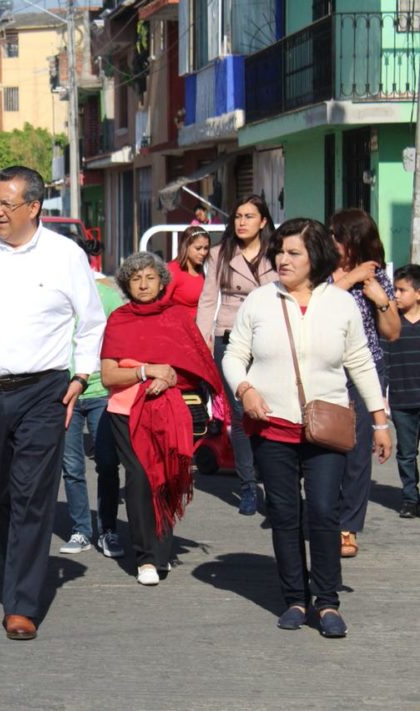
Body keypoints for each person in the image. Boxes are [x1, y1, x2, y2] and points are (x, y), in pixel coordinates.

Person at [0, 166, 106, 641]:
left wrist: (82, 375)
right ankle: (18, 564)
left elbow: (91, 323)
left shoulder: (64, 255)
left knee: (33, 495)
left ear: (34, 208)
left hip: (43, 392)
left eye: (7, 204)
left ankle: (21, 604)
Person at [223, 218, 391, 638]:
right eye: (279, 250)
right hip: (271, 426)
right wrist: (244, 389)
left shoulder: (339, 303)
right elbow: (233, 354)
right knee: (283, 512)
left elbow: (360, 362)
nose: (282, 258)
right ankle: (295, 599)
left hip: (325, 426)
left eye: (293, 252)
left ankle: (328, 602)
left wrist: (380, 420)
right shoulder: (260, 301)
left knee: (322, 510)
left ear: (315, 256)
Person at [100, 252, 222, 585]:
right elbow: (109, 376)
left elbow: (194, 366)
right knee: (139, 476)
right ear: (126, 283)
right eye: (136, 278)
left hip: (171, 410)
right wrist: (144, 371)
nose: (143, 284)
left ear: (161, 282)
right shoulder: (119, 320)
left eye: (150, 277)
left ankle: (161, 551)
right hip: (126, 411)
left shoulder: (178, 318)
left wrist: (169, 378)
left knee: (165, 478)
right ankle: (145, 558)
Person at [197, 194, 277, 515]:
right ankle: (247, 487)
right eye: (237, 216)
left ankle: (274, 485)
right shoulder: (220, 253)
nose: (241, 222)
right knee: (241, 413)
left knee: (272, 412)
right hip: (230, 338)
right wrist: (204, 343)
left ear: (263, 221)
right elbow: (207, 300)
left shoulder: (277, 252)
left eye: (248, 216)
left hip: (272, 340)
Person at [329, 209, 399, 557]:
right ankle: (324, 514)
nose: (332, 241)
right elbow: (314, 305)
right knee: (323, 446)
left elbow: (393, 332)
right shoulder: (319, 272)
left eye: (337, 235)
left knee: (357, 452)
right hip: (324, 368)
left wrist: (381, 300)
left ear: (354, 240)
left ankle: (347, 526)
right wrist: (349, 277)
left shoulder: (375, 276)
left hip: (365, 370)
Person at [59, 274, 126, 557]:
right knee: (71, 466)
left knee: (108, 464)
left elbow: (121, 338)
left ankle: (108, 529)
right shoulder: (55, 294)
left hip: (101, 390)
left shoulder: (107, 296)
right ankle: (81, 530)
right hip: (64, 391)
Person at [388, 264, 420, 518]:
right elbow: (384, 363)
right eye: (395, 290)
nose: (396, 295)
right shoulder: (391, 326)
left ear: (418, 294)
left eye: (402, 290)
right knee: (406, 454)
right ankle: (410, 498)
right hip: (401, 401)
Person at [165, 226, 210, 318]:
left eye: (206, 248)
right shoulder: (172, 270)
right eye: (198, 248)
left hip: (198, 326)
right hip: (178, 325)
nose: (203, 253)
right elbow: (161, 303)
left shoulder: (201, 268)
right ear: (185, 246)